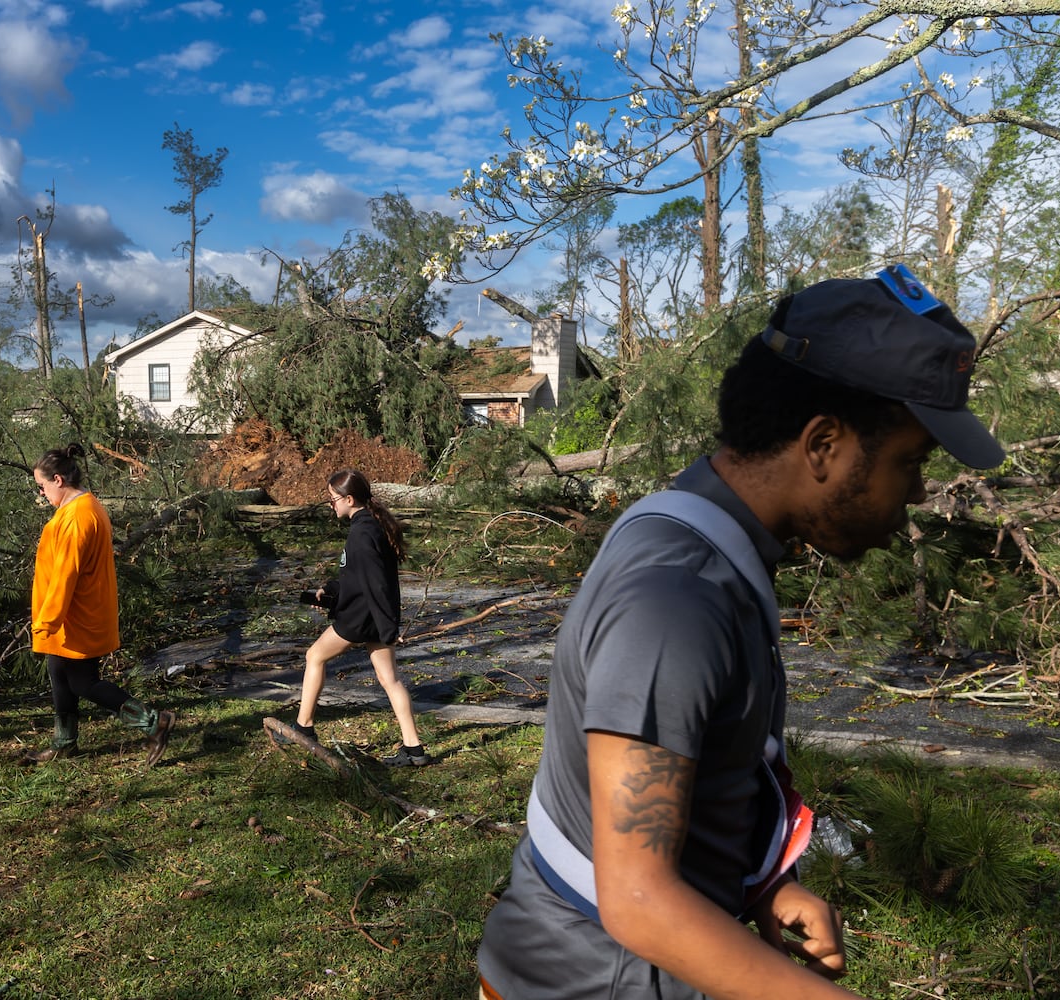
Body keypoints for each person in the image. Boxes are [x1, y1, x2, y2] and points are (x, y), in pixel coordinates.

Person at [476, 265, 1006, 1000]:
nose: (916, 492)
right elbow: (637, 902)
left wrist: (758, 884)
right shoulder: (677, 599)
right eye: (908, 462)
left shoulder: (699, 537)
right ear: (822, 444)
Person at [27, 444, 174, 765]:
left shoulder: (78, 517)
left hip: (75, 615)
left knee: (83, 682)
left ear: (58, 479)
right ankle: (64, 742)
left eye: (42, 486)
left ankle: (153, 722)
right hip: (74, 614)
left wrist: (47, 620)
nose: (41, 493)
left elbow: (66, 574)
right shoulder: (81, 507)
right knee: (59, 673)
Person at [290, 469, 430, 766]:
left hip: (361, 620)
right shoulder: (371, 526)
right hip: (373, 618)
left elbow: (376, 586)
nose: (332, 505)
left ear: (349, 499)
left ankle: (304, 726)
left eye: (333, 500)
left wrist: (388, 628)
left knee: (314, 656)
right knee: (390, 679)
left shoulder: (362, 533)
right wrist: (330, 589)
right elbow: (360, 578)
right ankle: (414, 749)